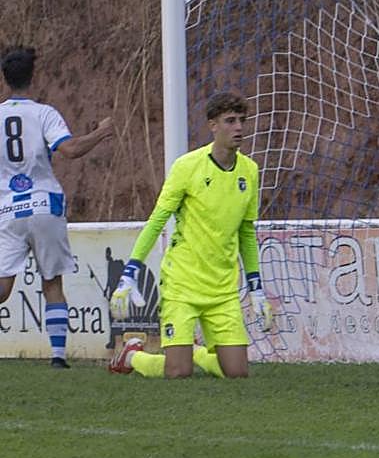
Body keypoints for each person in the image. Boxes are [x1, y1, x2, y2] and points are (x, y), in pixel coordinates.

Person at [108, 91, 272, 379]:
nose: (239, 128)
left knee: (236, 373)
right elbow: (157, 221)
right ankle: (132, 356)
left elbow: (246, 231)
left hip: (222, 288)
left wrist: (256, 286)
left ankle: (195, 351)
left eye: (242, 121)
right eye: (230, 121)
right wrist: (130, 270)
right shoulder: (187, 167)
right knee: (177, 372)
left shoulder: (250, 170)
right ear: (213, 126)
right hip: (182, 283)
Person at [0, 46, 113, 368]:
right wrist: (101, 132)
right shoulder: (44, 113)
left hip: (8, 209)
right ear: (32, 77)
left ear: (5, 79)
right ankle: (58, 357)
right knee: (52, 282)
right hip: (44, 205)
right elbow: (71, 150)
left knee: (3, 287)